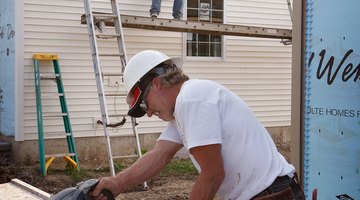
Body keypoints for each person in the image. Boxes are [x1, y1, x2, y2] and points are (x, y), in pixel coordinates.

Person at [91, 50, 305, 200]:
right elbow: (159, 155)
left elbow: (213, 174)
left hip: (271, 193)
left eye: (143, 104)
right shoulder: (185, 105)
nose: (147, 113)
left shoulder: (192, 100)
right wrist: (116, 183)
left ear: (156, 84)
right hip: (270, 191)